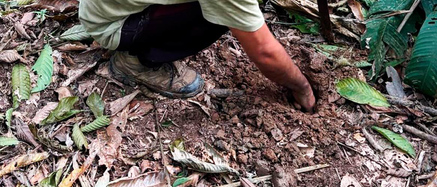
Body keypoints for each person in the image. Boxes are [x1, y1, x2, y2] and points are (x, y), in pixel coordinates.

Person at [78, 0, 316, 112]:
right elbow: (265, 53)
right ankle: (136, 62)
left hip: (103, 6)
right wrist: (302, 87)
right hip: (113, 24)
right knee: (220, 17)